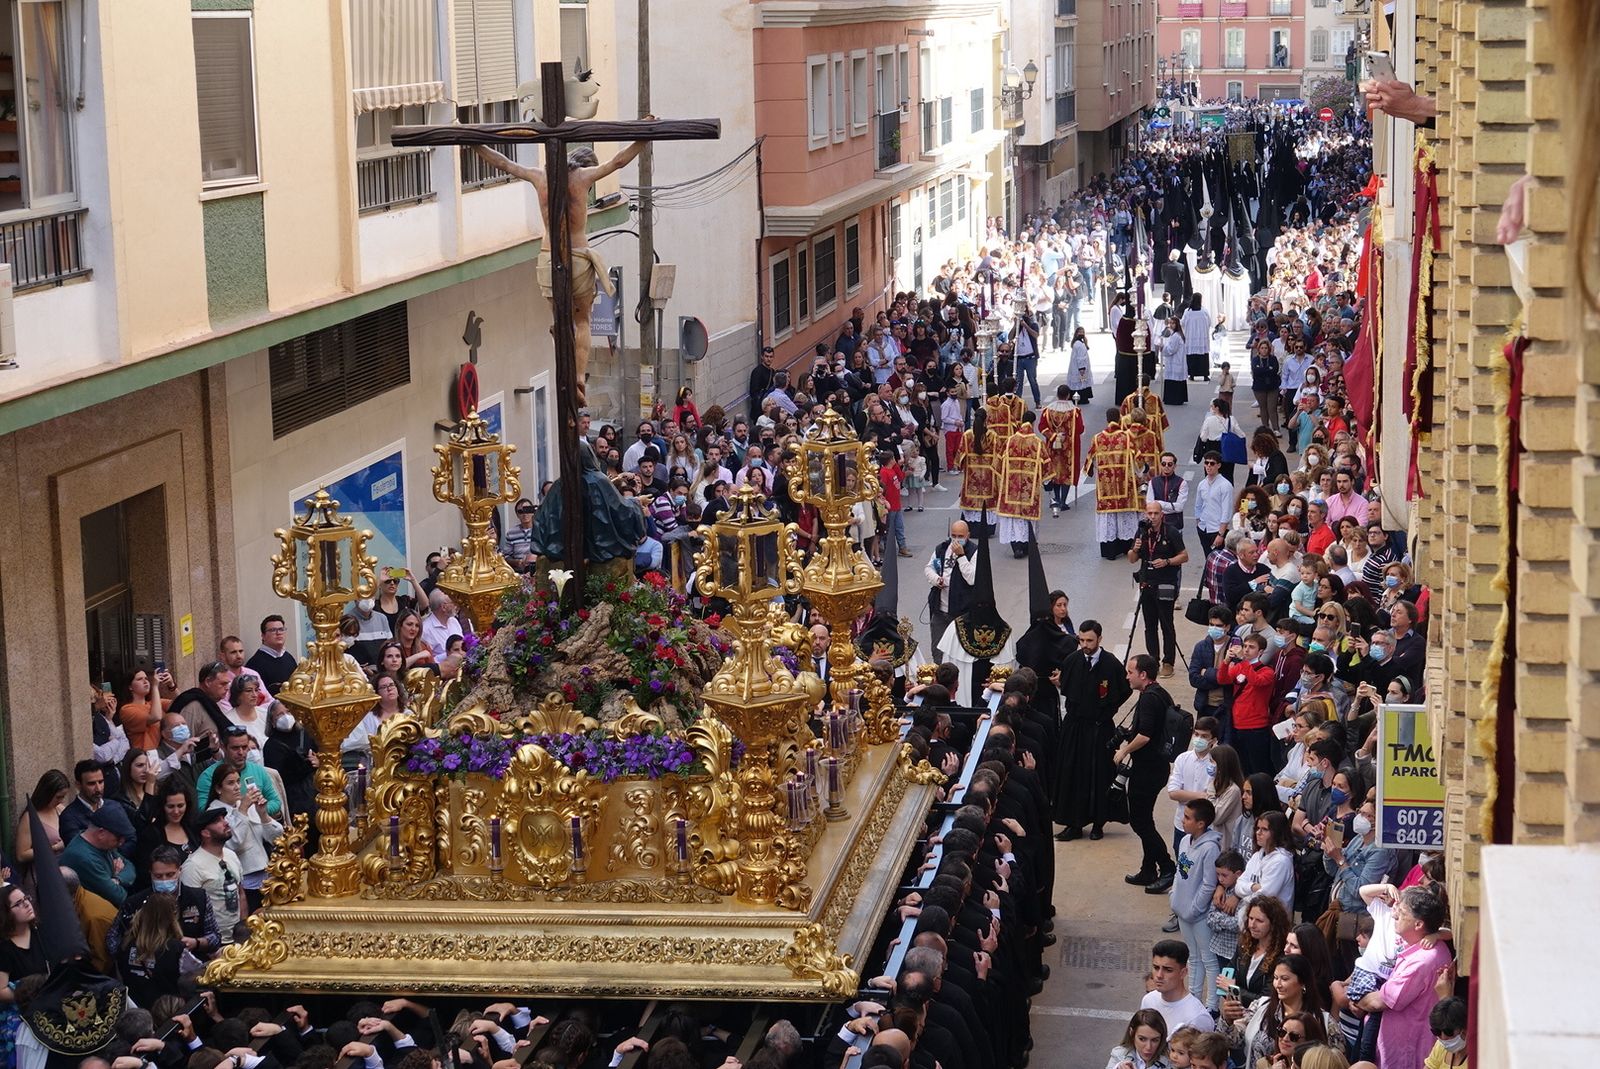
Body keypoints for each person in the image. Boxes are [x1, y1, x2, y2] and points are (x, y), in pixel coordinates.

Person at [470, 134, 651, 404]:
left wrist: (474, 144)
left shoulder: (538, 176)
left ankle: (563, 370)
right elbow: (619, 161)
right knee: (582, 320)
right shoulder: (584, 177)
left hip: (546, 257)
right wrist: (643, 138)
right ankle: (578, 375)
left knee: (560, 320)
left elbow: (504, 163)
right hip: (577, 257)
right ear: (585, 164)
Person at [1355, 887, 1452, 1069]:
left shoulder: (1422, 961)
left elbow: (1380, 1002)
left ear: (1418, 924)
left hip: (1404, 1055)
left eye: (1402, 913)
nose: (1394, 916)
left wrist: (1356, 999)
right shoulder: (1430, 946)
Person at [1053, 621, 1131, 841]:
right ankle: (1073, 823)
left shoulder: (1111, 664)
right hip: (1075, 727)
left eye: (1090, 640)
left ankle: (1098, 822)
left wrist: (1108, 709)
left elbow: (1123, 690)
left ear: (1099, 639)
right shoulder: (1072, 661)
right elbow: (1066, 688)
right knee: (1072, 773)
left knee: (1099, 775)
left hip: (1100, 728)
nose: (1085, 645)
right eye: (1082, 640)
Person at [1116, 655, 1178, 890]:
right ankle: (1148, 868)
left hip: (1148, 769)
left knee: (1140, 822)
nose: (1127, 676)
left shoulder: (1150, 699)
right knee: (1145, 818)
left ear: (1143, 674)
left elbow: (1145, 735)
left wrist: (1124, 751)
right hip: (1155, 767)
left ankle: (1167, 866)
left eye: (1131, 672)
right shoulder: (1158, 693)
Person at [1129, 501, 1189, 676]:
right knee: (1149, 625)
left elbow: (1184, 556)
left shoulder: (1170, 532)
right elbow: (1132, 559)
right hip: (1146, 584)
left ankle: (1168, 661)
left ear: (1162, 515)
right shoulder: (1142, 532)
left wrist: (1167, 561)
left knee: (1167, 624)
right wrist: (1135, 548)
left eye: (1156, 513)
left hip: (1165, 584)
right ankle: (1152, 660)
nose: (1152, 517)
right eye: (1149, 513)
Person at [1170, 800, 1222, 1000]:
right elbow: (1179, 872)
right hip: (1183, 910)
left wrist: (1195, 909)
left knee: (1208, 960)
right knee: (1193, 958)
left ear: (1201, 823)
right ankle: (1193, 997)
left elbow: (1209, 884)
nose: (1183, 821)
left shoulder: (1210, 849)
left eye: (1188, 817)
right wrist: (1174, 898)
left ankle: (1212, 1005)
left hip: (1199, 916)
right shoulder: (1184, 841)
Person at [181, 805, 248, 943]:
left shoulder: (231, 855)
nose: (226, 822)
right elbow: (190, 911)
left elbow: (241, 893)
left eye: (224, 818)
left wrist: (243, 931)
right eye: (218, 821)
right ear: (206, 833)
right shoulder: (193, 866)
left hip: (236, 940)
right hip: (213, 943)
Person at [1085, 410, 1143, 558]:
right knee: (1125, 517)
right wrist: (1141, 472)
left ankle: (1109, 552)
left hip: (1106, 488)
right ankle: (1125, 548)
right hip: (1125, 485)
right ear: (1120, 419)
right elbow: (1139, 460)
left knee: (1109, 518)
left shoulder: (1097, 438)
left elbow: (1089, 462)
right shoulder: (1127, 438)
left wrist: (1091, 471)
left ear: (1106, 419)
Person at [59, 805, 136, 906]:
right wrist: (115, 875)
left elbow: (130, 866)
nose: (121, 842)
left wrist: (117, 879)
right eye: (118, 838)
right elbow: (119, 897)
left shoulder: (102, 845)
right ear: (101, 833)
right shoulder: (83, 858)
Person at [1141, 940, 1215, 1036]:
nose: (1159, 975)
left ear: (1183, 973)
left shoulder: (1197, 1017)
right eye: (1156, 967)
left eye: (1168, 970)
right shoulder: (1148, 1000)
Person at [1040, 385, 1085, 517]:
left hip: (1052, 446)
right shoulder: (1075, 411)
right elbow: (1080, 429)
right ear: (1068, 396)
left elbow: (1042, 427)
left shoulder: (1048, 411)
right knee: (1066, 473)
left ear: (1057, 395)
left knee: (1054, 472)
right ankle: (1063, 501)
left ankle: (1057, 499)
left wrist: (1053, 437)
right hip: (1068, 448)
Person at [1240, 811, 1297, 911]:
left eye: (1264, 829)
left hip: (1272, 922)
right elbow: (1238, 885)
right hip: (1250, 917)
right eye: (1258, 828)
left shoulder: (1281, 861)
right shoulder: (1257, 856)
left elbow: (1264, 897)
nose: (1258, 833)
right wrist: (1253, 887)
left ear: (1277, 833)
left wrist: (1243, 899)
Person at [245, 615, 298, 697]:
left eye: (281, 629)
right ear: (263, 635)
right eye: (273, 630)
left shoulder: (288, 657)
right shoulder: (254, 664)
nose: (278, 633)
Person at [1422, 996, 1467, 1069]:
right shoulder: (1440, 1045)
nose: (1443, 1037)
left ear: (1464, 1029)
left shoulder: (1479, 1058)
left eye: (1448, 1032)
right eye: (1437, 1031)